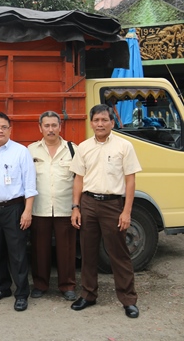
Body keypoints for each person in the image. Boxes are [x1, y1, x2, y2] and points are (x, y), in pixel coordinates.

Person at [69, 104, 142, 318]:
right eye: (96, 120)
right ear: (91, 123)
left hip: (113, 205)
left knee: (118, 254)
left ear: (112, 122)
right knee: (88, 252)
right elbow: (78, 179)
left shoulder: (124, 146)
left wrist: (126, 211)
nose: (100, 124)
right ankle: (88, 295)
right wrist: (76, 207)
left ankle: (128, 299)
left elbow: (130, 180)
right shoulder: (83, 147)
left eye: (104, 120)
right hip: (88, 203)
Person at [0, 112, 37, 312]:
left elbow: (30, 183)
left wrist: (27, 211)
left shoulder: (21, 152)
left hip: (14, 208)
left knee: (17, 252)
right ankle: (2, 287)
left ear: (10, 130)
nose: (0, 130)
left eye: (4, 127)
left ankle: (21, 293)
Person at [27, 111, 77, 301]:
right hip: (40, 208)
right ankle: (40, 284)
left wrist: (76, 206)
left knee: (67, 249)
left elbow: (79, 179)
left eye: (54, 125)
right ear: (40, 128)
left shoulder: (73, 149)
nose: (50, 129)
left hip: (66, 208)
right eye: (46, 126)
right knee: (40, 250)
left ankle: (68, 285)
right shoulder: (31, 150)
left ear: (60, 127)